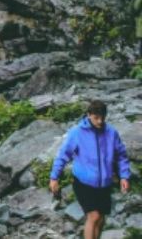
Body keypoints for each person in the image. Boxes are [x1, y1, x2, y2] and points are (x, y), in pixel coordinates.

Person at [49, 99, 131, 239]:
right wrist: (54, 177)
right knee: (94, 216)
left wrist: (124, 176)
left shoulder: (111, 133)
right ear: (88, 115)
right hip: (84, 182)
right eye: (96, 118)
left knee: (101, 219)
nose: (100, 121)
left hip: (104, 183)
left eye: (102, 118)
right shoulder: (77, 132)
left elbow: (121, 156)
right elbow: (63, 155)